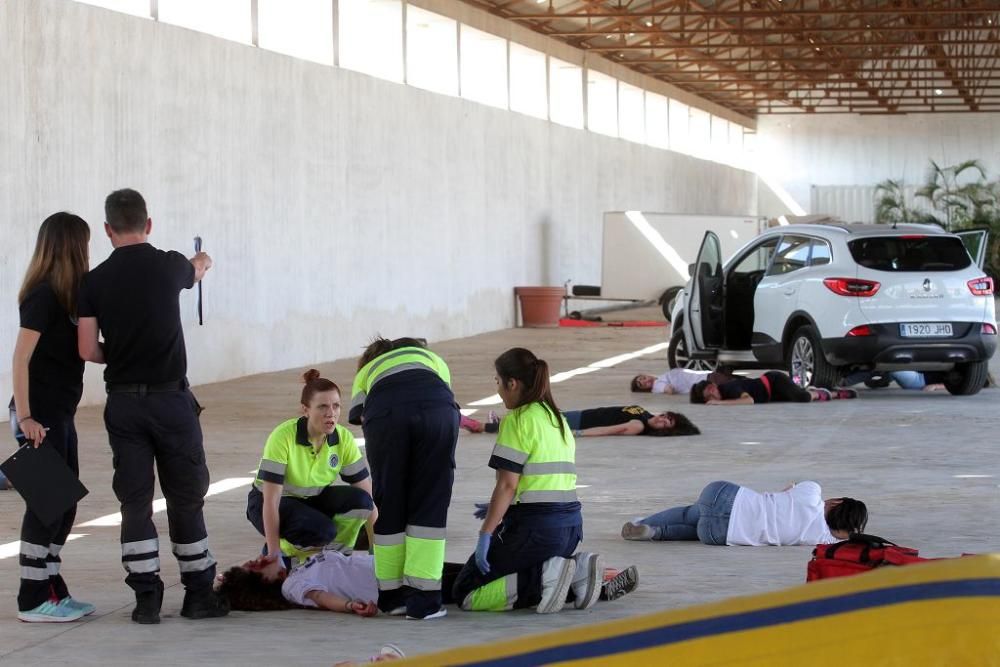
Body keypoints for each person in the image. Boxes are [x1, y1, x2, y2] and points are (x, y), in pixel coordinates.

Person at [77, 188, 228, 623]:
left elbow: (87, 349)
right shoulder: (169, 264)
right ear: (149, 224)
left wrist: (121, 354)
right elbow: (196, 269)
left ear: (108, 230)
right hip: (171, 401)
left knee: (135, 502)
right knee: (185, 498)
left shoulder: (94, 282)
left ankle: (146, 599)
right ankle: (199, 594)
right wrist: (204, 262)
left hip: (124, 404)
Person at [452, 347, 600, 615]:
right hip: (570, 530)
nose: (498, 390)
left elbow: (507, 485)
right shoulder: (557, 418)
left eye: (498, 382)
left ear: (512, 383)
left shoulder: (518, 421)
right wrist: (500, 506)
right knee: (500, 573)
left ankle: (548, 577)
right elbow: (538, 480)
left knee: (467, 590)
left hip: (536, 530)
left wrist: (486, 532)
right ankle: (576, 570)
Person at [9, 213, 93, 622]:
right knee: (47, 506)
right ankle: (31, 599)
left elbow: (86, 350)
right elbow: (20, 359)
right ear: (73, 246)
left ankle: (53, 589)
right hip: (38, 414)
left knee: (66, 506)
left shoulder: (69, 297)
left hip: (60, 412)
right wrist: (25, 417)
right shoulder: (42, 296)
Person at [349, 336, 459, 620]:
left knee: (389, 503)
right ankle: (424, 603)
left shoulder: (368, 371)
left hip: (385, 417)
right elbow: (444, 395)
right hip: (438, 414)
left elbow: (356, 415)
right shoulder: (434, 361)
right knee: (429, 503)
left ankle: (392, 597)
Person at [216, 549, 638, 614]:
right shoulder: (293, 587)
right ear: (262, 582)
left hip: (413, 563)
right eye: (257, 566)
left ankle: (585, 579)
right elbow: (323, 597)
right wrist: (351, 608)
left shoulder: (301, 563)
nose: (262, 559)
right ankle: (590, 584)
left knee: (483, 568)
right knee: (480, 588)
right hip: (407, 586)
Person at [247, 370, 375, 580]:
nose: (331, 413)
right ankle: (290, 557)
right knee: (322, 530)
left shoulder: (343, 438)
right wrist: (273, 554)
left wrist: (377, 552)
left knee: (362, 502)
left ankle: (334, 560)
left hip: (311, 501)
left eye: (336, 406)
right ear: (305, 410)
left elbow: (369, 499)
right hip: (270, 503)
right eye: (322, 407)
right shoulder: (283, 437)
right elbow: (270, 501)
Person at [621, 480, 867, 546]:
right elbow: (842, 536)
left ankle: (644, 523)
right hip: (719, 536)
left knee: (691, 513)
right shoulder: (820, 538)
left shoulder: (813, 492)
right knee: (698, 528)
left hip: (723, 497)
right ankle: (656, 533)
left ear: (835, 502)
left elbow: (790, 488)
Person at [462, 406, 700, 437]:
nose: (661, 420)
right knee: (534, 415)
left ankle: (480, 426)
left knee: (531, 423)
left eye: (666, 424)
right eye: (665, 417)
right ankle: (498, 422)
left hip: (580, 422)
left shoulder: (638, 426)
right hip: (581, 414)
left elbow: (609, 430)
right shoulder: (645, 415)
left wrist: (578, 433)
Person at [690, 371, 858, 405]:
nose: (712, 399)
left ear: (713, 387)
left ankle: (831, 393)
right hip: (771, 395)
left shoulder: (729, 389)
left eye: (710, 395)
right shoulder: (725, 393)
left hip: (774, 382)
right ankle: (816, 391)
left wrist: (721, 404)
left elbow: (748, 400)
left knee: (803, 398)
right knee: (797, 397)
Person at [630, 368, 736, 394]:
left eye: (642, 378)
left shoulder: (659, 379)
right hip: (705, 379)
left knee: (735, 380)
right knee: (735, 382)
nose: (644, 381)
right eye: (641, 384)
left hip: (705, 376)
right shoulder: (657, 385)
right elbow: (669, 390)